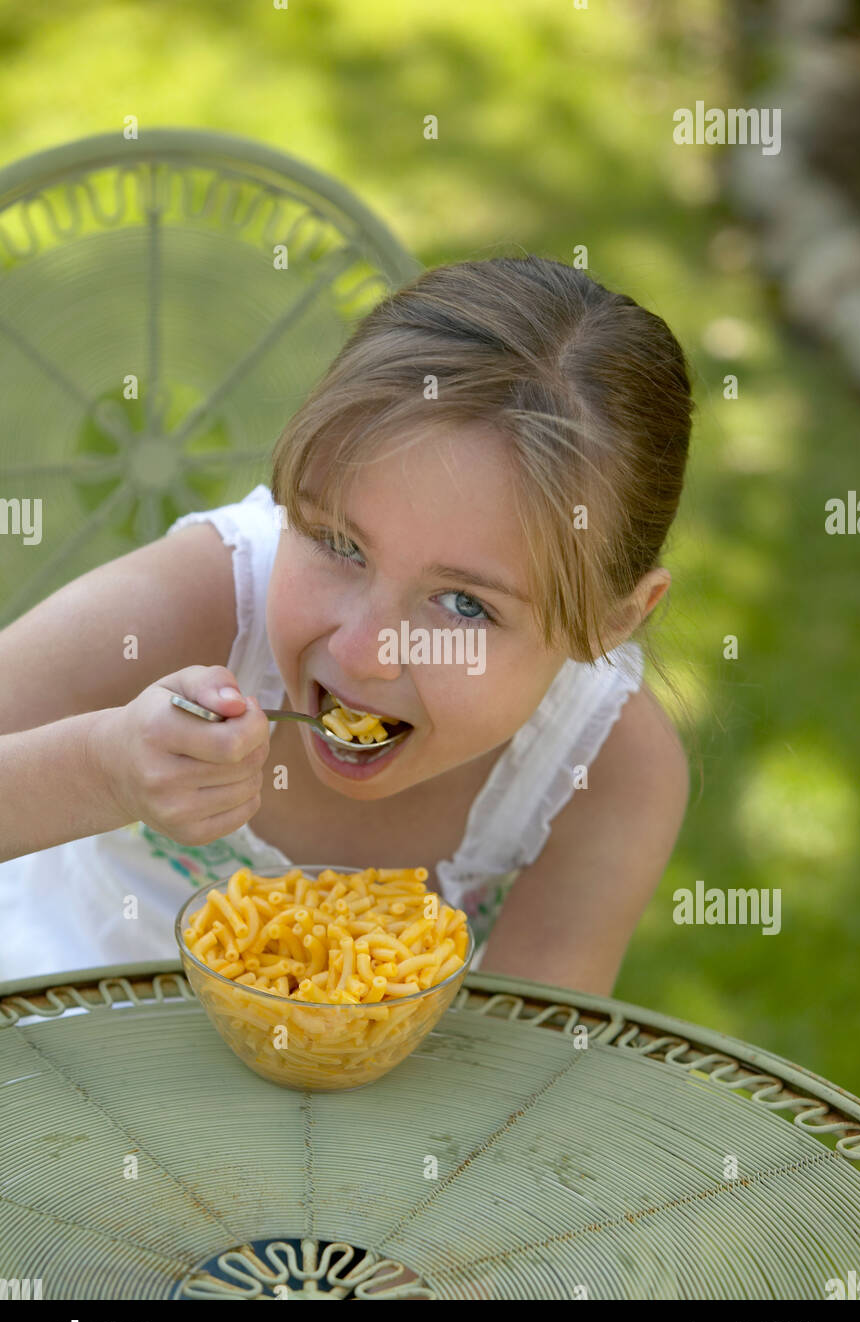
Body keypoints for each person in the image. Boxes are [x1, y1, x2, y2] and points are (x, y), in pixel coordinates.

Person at [0, 256, 692, 994]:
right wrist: (102, 771)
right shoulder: (194, 602)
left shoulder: (610, 771)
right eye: (339, 544)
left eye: (464, 604)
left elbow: (532, 1073)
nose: (363, 653)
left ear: (611, 621)